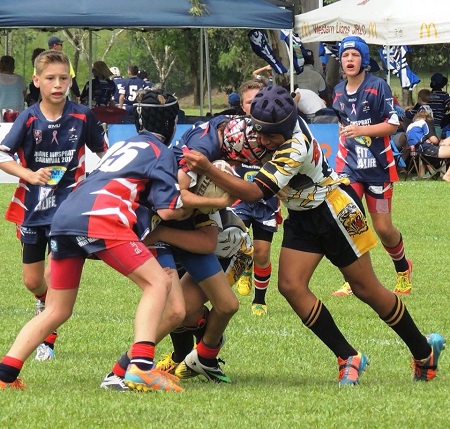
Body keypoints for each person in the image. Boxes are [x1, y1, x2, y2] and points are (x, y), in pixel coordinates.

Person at [183, 84, 446, 386]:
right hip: (302, 215)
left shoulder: (295, 146)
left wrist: (209, 168)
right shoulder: (275, 128)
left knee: (366, 289)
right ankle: (348, 357)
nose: (264, 140)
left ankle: (424, 350)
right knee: (292, 287)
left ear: (284, 127)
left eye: (270, 135)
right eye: (260, 132)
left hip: (335, 210)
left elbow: (256, 192)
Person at [0, 87, 205, 392]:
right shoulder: (160, 152)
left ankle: (5, 374)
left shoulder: (123, 146)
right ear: (173, 124)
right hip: (102, 219)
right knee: (157, 283)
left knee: (57, 309)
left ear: (137, 122)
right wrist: (214, 201)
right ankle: (141, 368)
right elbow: (168, 209)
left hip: (65, 216)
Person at [0, 50, 108, 362]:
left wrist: (99, 184)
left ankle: (47, 339)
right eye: (50, 78)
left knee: (56, 273)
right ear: (36, 81)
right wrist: (28, 174)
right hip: (34, 210)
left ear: (71, 81)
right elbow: (4, 154)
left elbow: (104, 152)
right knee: (33, 281)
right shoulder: (29, 117)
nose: (57, 84)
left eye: (63, 78)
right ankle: (44, 303)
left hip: (69, 209)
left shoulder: (82, 116)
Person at [331, 36, 413, 297]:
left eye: (355, 55)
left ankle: (402, 269)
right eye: (345, 56)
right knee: (351, 222)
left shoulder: (378, 87)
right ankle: (354, 279)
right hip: (350, 167)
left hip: (378, 168)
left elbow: (393, 124)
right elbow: (343, 124)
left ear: (363, 59)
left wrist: (362, 129)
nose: (350, 60)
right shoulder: (337, 91)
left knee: (383, 228)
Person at [234, 80, 280, 316]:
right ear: (242, 106)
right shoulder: (234, 132)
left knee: (262, 252)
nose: (254, 106)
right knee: (239, 244)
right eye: (250, 102)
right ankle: (244, 270)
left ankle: (259, 300)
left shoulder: (277, 130)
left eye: (258, 101)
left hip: (267, 201)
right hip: (239, 199)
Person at [406, 110, 450, 180]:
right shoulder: (423, 123)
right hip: (428, 151)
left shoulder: (410, 127)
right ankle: (448, 176)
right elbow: (434, 140)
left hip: (419, 154)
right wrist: (437, 140)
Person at [47, 36, 81, 103]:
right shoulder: (64, 59)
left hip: (46, 95)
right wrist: (78, 94)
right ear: (55, 46)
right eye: (61, 45)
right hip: (61, 94)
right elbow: (72, 78)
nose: (62, 47)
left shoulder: (42, 59)